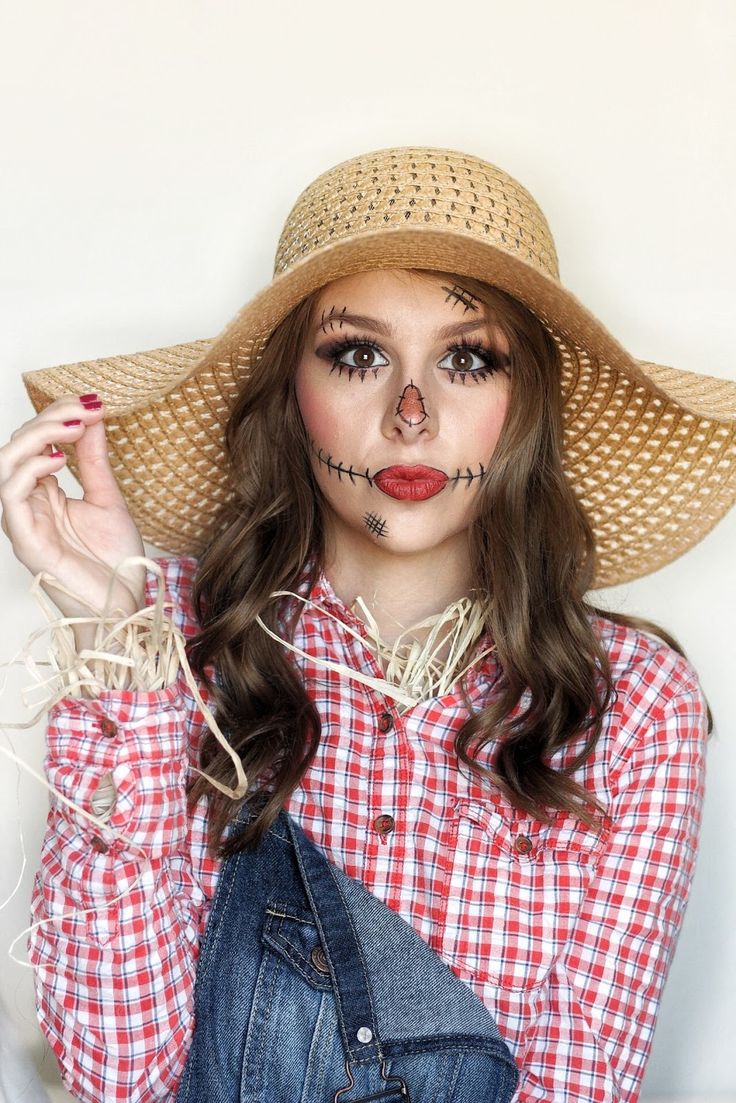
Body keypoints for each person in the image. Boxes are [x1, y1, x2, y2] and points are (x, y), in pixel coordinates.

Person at [3, 147, 735, 1103]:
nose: (412, 414)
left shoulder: (630, 703)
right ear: (292, 399)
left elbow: (580, 1084)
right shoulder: (172, 642)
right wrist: (113, 636)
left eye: (467, 358)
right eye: (358, 354)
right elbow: (119, 1074)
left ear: (524, 410)